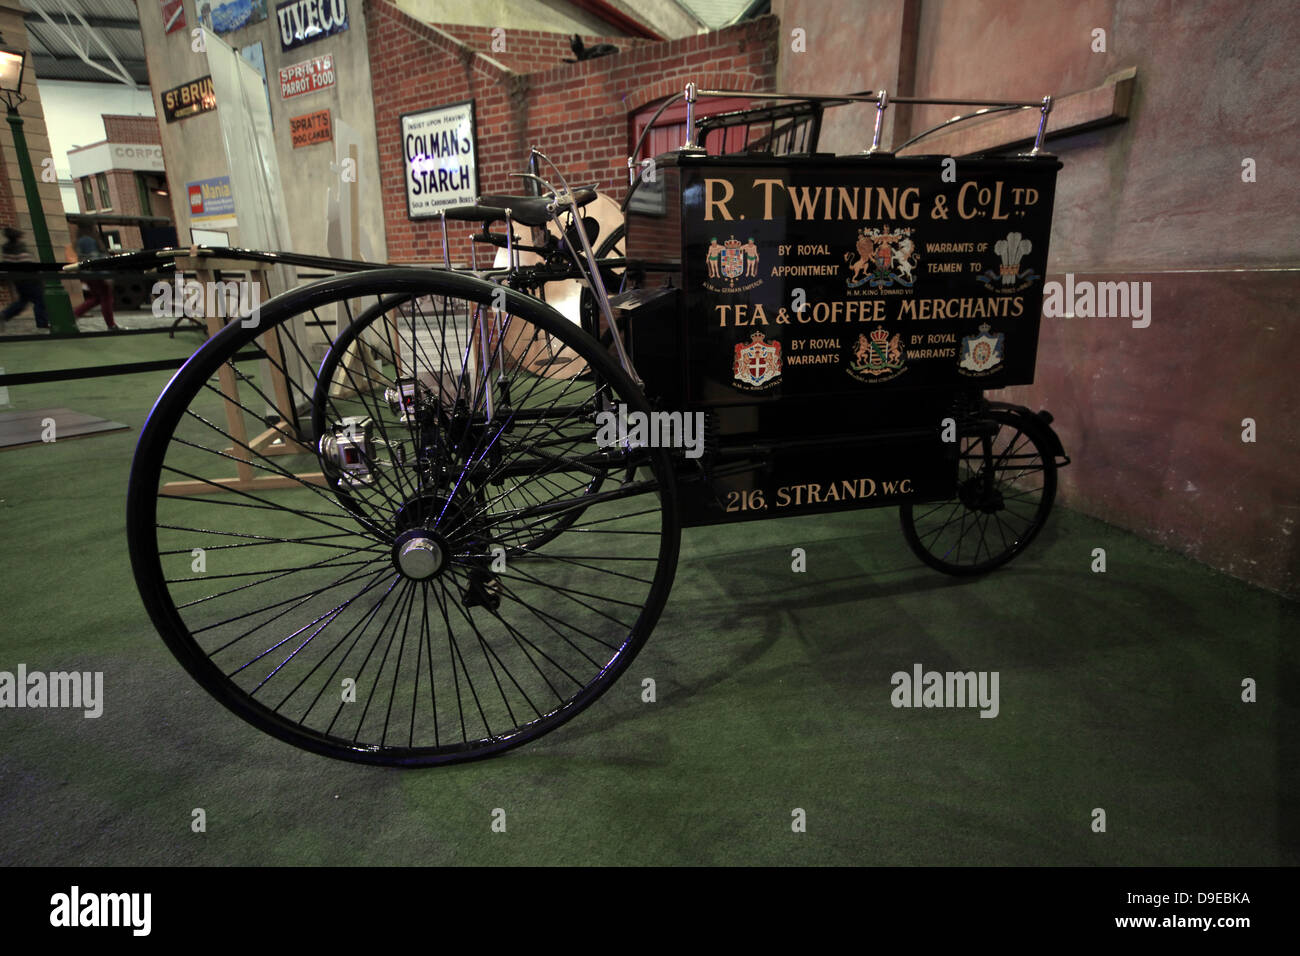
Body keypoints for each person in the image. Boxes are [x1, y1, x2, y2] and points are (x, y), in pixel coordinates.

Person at [0, 226, 50, 330]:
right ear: (18, 237)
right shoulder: (19, 248)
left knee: (23, 301)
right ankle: (42, 323)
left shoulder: (7, 249)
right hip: (30, 280)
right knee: (39, 300)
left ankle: (4, 315)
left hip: (18, 280)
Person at [72, 226, 119, 330]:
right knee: (106, 298)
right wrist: (105, 274)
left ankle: (74, 315)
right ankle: (111, 325)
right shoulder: (88, 241)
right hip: (96, 274)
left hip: (88, 274)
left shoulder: (80, 241)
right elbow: (94, 258)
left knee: (96, 298)